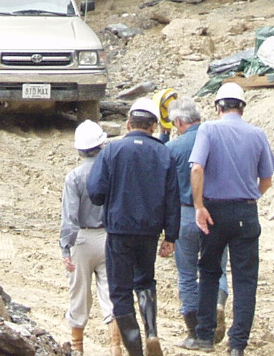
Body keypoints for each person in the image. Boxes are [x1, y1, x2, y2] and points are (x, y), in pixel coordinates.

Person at [184, 83, 274, 356]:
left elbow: (197, 168)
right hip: (245, 212)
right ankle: (237, 344)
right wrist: (251, 198)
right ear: (242, 108)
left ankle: (204, 336)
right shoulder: (257, 134)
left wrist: (199, 205)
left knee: (210, 271)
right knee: (245, 279)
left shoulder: (209, 130)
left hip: (213, 210)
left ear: (218, 108)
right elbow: (267, 180)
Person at [86, 97, 179, 356]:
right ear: (152, 127)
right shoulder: (163, 152)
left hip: (119, 231)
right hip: (150, 231)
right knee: (146, 280)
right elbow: (173, 198)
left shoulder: (112, 151)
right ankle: (151, 332)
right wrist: (171, 235)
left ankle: (136, 349)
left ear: (128, 124)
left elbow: (95, 192)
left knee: (120, 291)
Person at [166, 99, 228, 342]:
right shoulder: (218, 142)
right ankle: (218, 304)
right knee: (218, 267)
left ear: (180, 122)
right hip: (215, 212)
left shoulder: (174, 147)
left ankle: (194, 332)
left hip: (186, 214)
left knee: (187, 274)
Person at [61, 119, 118, 356]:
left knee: (79, 298)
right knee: (111, 295)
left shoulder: (74, 177)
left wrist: (65, 249)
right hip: (108, 237)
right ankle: (116, 347)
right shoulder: (112, 171)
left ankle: (77, 349)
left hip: (82, 240)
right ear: (102, 144)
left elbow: (69, 218)